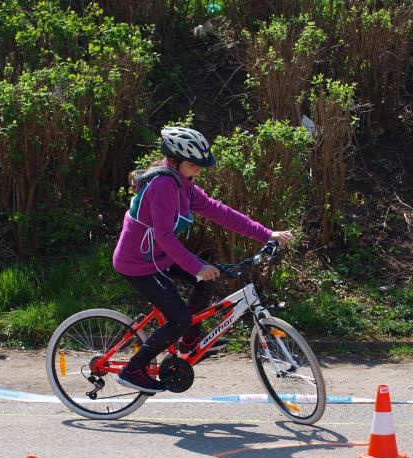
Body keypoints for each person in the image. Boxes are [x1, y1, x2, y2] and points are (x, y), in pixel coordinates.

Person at [112, 126, 293, 393]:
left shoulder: (182, 185)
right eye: (193, 165)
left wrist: (267, 234)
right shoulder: (163, 185)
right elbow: (163, 236)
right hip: (138, 263)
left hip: (158, 258)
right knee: (180, 318)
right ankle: (134, 370)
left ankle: (188, 342)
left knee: (206, 282)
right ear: (174, 161)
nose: (198, 170)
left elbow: (220, 212)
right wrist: (197, 266)